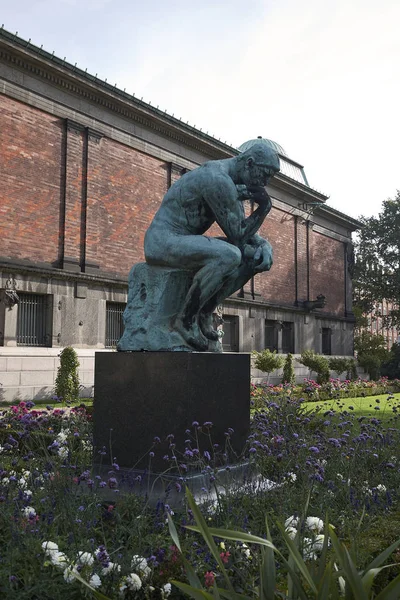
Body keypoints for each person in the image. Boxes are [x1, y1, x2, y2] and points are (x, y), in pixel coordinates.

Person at [144, 142, 280, 350]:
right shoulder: (217, 179)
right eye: (264, 175)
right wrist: (264, 208)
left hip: (182, 240)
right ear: (249, 164)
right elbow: (237, 235)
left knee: (252, 257)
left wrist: (263, 244)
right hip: (163, 241)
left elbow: (240, 225)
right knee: (229, 255)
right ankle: (185, 320)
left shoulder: (230, 181)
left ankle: (205, 311)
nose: (265, 182)